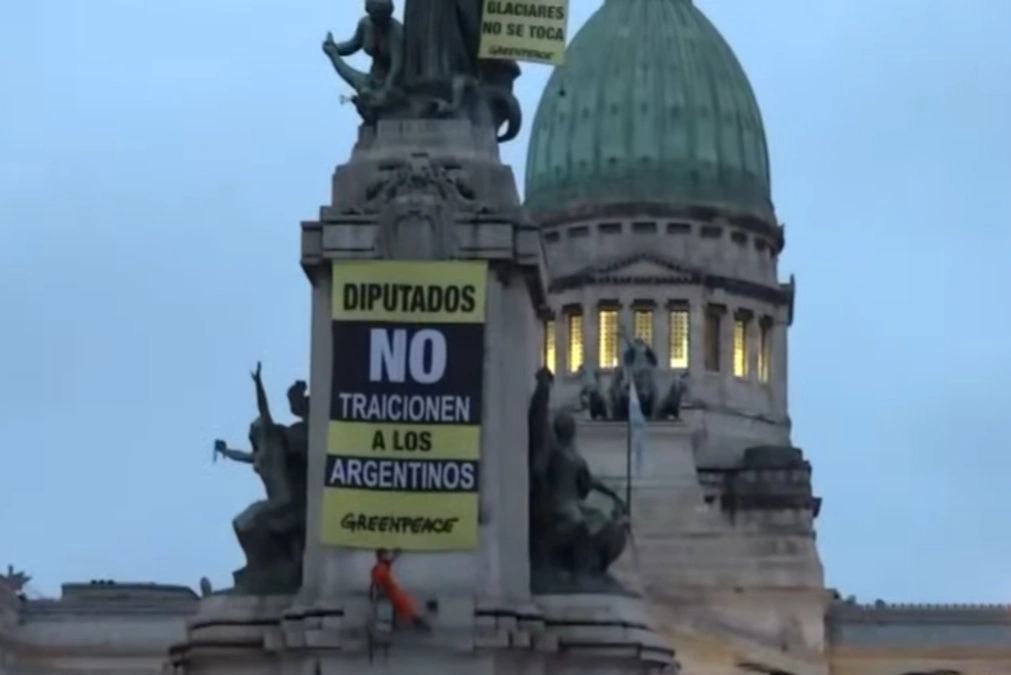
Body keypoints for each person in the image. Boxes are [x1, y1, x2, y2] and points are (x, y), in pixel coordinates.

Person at [370, 549, 430, 631]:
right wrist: (375, 596)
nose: (387, 556)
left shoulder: (385, 565)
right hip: (394, 595)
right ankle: (421, 626)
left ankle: (398, 624)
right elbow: (375, 585)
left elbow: (391, 560)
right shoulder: (379, 569)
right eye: (385, 555)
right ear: (379, 557)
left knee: (408, 610)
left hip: (397, 593)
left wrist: (396, 554)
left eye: (387, 555)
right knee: (409, 611)